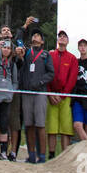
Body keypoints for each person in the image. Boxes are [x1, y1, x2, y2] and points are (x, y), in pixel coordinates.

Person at [19, 31, 55, 163]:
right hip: (27, 91)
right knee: (29, 125)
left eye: (38, 35)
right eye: (33, 35)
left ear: (42, 41)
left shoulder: (46, 55)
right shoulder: (27, 52)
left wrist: (41, 82)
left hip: (40, 92)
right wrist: (25, 27)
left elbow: (51, 73)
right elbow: (18, 40)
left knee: (40, 124)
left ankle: (42, 156)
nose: (35, 36)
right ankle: (31, 154)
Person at [46, 30, 78, 159]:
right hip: (51, 97)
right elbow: (46, 74)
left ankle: (64, 156)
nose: (62, 38)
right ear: (57, 40)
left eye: (65, 37)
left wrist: (63, 95)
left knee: (66, 128)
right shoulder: (50, 55)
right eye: (60, 36)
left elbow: (72, 78)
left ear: (68, 41)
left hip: (65, 97)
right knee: (52, 128)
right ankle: (52, 155)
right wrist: (49, 93)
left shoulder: (72, 58)